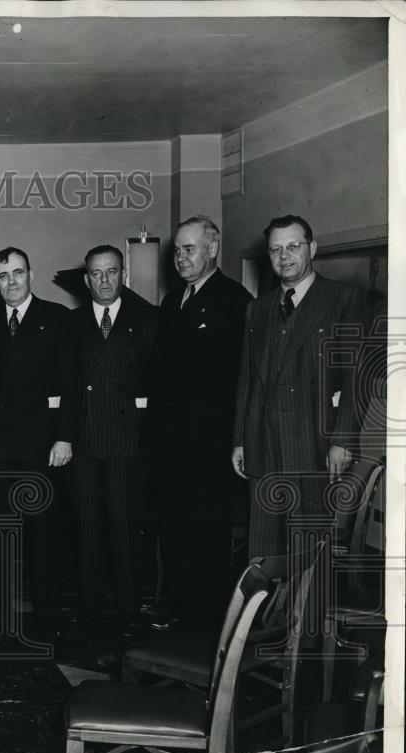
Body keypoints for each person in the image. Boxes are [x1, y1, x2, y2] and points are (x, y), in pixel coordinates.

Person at [232, 215, 366, 558]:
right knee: (262, 549)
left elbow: (354, 378)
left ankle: (303, 614)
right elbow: (247, 380)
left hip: (313, 446)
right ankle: (264, 614)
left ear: (313, 249)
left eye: (293, 246)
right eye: (276, 249)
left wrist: (343, 441)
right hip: (263, 445)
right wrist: (240, 441)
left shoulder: (342, 300)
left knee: (306, 548)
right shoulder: (257, 309)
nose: (284, 256)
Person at [147, 216, 251, 628]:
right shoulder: (173, 301)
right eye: (177, 250)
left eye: (189, 249)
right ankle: (178, 613)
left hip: (210, 446)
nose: (181, 258)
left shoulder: (235, 300)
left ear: (213, 248)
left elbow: (240, 378)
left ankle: (206, 626)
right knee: (173, 532)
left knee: (207, 537)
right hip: (171, 446)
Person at [0, 246, 75, 636]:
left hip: (43, 451)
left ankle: (47, 617)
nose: (10, 281)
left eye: (17, 273)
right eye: (3, 275)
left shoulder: (58, 319)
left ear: (30, 275)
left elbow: (70, 383)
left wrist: (64, 438)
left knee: (45, 538)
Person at [68, 245, 157, 620]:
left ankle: (128, 607)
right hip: (84, 441)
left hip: (128, 440)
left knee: (124, 529)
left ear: (124, 275)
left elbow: (158, 382)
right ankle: (89, 608)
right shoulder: (71, 324)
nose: (104, 280)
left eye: (111, 272)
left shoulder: (149, 319)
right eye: (96, 273)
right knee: (87, 529)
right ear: (86, 279)